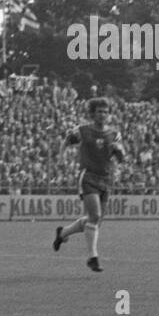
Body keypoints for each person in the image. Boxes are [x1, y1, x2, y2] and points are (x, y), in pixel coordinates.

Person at [52, 97, 126, 272]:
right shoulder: (83, 130)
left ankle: (62, 233)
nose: (103, 115)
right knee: (95, 216)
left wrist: (120, 151)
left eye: (106, 112)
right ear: (93, 113)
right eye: (99, 111)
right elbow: (66, 142)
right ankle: (92, 257)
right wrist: (61, 158)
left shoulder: (114, 134)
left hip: (106, 179)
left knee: (96, 220)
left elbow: (121, 159)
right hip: (88, 177)